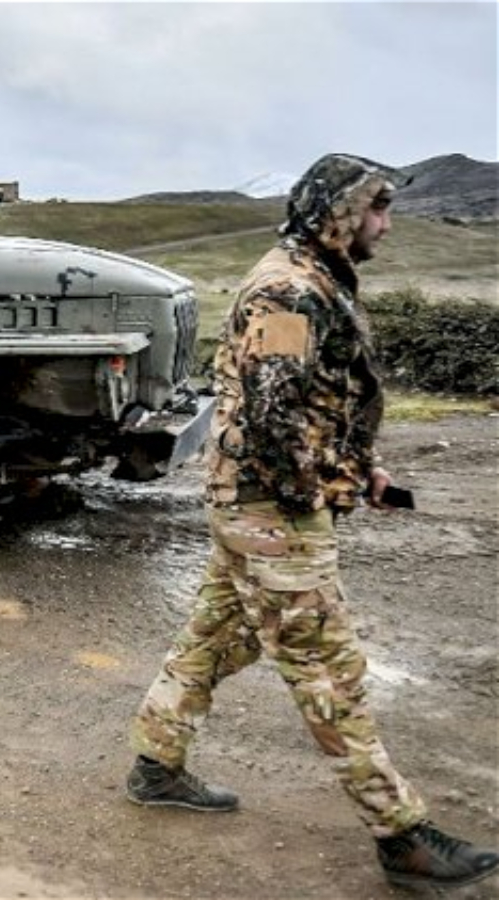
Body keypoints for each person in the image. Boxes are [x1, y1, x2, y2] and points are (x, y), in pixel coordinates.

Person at [125, 153, 499, 889]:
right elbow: (273, 423)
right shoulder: (288, 292)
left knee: (213, 640)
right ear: (337, 214)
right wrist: (333, 481)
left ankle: (155, 764)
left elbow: (313, 407)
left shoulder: (313, 278)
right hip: (274, 511)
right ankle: (402, 837)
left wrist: (361, 470)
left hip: (260, 504)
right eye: (378, 210)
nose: (387, 226)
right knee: (329, 669)